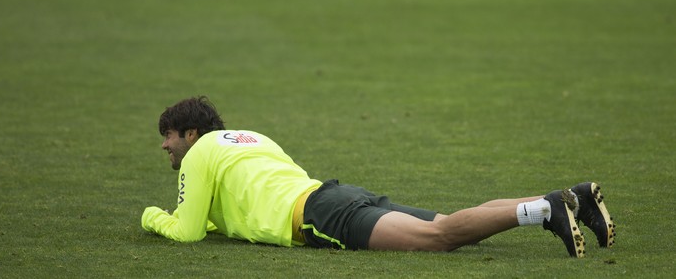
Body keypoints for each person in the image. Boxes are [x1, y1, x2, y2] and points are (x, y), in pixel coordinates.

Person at [142, 96, 616, 258]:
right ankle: (566, 198)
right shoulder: (248, 138)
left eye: (169, 136)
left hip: (319, 216)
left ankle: (543, 212)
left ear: (192, 132)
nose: (165, 145)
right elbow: (216, 215)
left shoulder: (201, 151)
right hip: (333, 193)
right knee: (448, 224)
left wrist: (151, 217)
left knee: (439, 238)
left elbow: (186, 232)